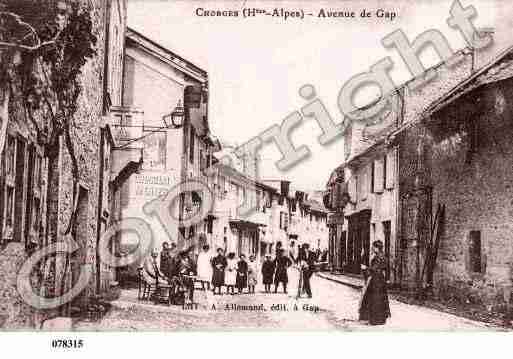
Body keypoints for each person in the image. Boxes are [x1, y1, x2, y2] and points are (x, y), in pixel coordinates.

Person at [358, 240, 391, 325]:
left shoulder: (377, 257)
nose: (372, 248)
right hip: (381, 280)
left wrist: (365, 268)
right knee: (380, 299)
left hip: (376, 280)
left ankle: (375, 320)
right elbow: (387, 269)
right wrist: (387, 279)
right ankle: (380, 319)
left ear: (377, 248)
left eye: (373, 247)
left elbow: (374, 269)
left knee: (374, 299)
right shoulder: (383, 256)